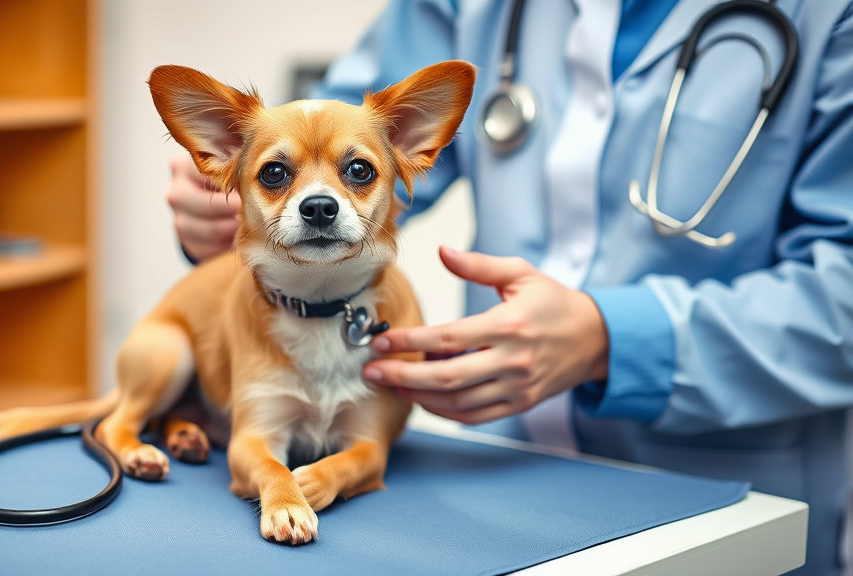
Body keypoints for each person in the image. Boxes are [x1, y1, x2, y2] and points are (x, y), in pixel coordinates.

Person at [166, 1, 853, 573]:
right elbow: (332, 129)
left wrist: (616, 339)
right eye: (280, 177)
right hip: (490, 479)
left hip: (724, 491)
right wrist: (220, 211)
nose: (316, 193)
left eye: (348, 176)